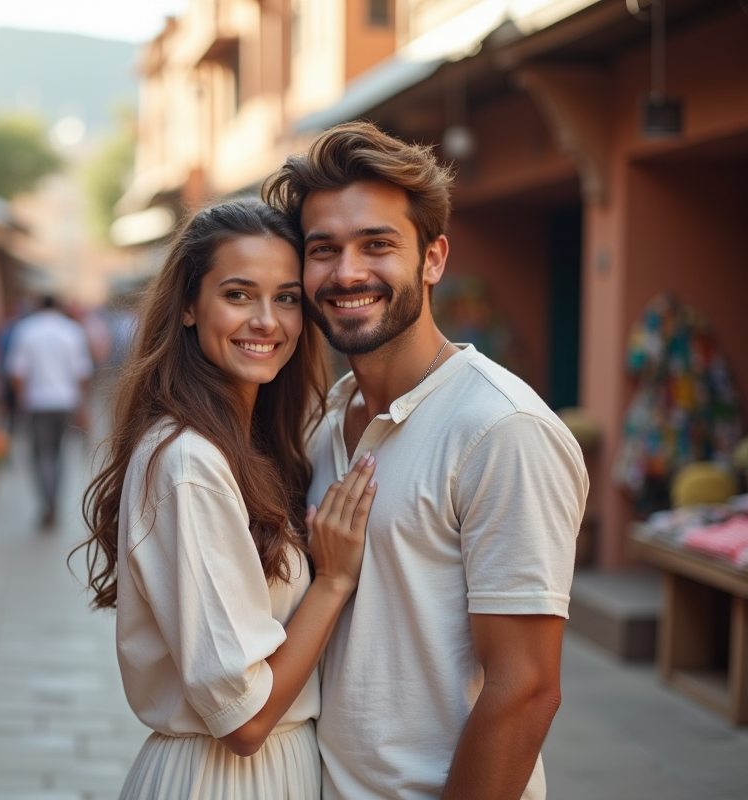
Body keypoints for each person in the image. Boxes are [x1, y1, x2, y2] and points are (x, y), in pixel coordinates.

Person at [262, 121, 589, 800]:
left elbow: (524, 689)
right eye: (323, 249)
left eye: (377, 245)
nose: (347, 272)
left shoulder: (502, 428)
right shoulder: (329, 419)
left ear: (433, 259)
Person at [79, 201, 378, 799]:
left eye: (287, 298)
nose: (267, 320)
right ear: (189, 305)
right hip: (224, 779)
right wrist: (333, 582)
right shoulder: (189, 462)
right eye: (239, 295)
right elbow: (243, 721)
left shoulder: (255, 445)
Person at [6, 294, 94, 529]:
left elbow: (17, 372)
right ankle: (54, 502)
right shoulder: (72, 331)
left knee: (42, 455)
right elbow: (82, 372)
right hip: (65, 401)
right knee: (59, 455)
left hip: (37, 403)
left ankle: (48, 503)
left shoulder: (26, 330)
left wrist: (22, 400)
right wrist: (82, 404)